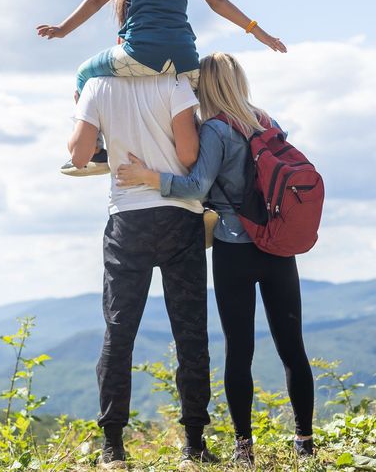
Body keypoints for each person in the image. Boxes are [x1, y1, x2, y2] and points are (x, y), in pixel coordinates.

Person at [115, 52, 316, 465]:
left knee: (238, 352)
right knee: (292, 347)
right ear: (238, 81)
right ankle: (305, 443)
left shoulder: (215, 130)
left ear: (203, 86)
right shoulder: (265, 120)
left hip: (233, 249)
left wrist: (149, 178)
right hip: (278, 248)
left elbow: (195, 185)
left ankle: (244, 450)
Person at [39, 0, 286, 176]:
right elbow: (216, 1)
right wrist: (258, 31)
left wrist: (62, 28)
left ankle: (96, 152)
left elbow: (97, 1)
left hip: (140, 54)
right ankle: (206, 169)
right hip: (184, 61)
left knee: (84, 73)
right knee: (188, 124)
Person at [69, 71, 217, 469]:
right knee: (190, 332)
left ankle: (113, 447)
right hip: (178, 216)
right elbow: (188, 157)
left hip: (127, 219)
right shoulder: (175, 84)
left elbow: (79, 155)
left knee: (119, 330)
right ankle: (193, 445)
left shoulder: (98, 85)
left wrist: (82, 110)